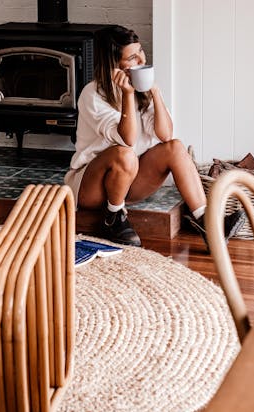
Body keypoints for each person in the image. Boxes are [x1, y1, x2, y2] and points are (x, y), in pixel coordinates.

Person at [64, 25, 209, 246]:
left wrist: (155, 94)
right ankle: (114, 217)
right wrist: (127, 94)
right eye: (132, 57)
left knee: (176, 147)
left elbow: (165, 134)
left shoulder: (142, 90)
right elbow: (127, 140)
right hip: (91, 187)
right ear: (115, 66)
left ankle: (207, 222)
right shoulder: (92, 94)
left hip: (129, 181)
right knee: (125, 154)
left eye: (140, 51)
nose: (141, 60)